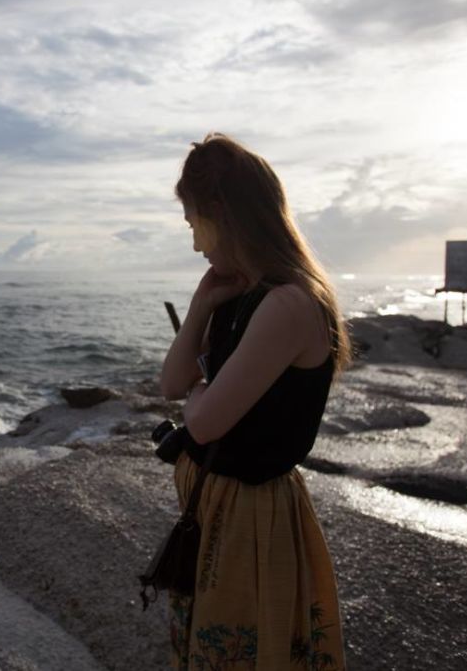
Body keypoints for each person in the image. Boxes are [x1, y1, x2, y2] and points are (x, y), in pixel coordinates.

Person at [159, 132, 352, 670]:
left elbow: (200, 421)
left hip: (249, 513)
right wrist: (201, 305)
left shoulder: (288, 304)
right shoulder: (240, 295)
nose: (197, 243)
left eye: (195, 222)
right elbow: (172, 385)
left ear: (224, 214)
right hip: (218, 507)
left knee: (240, 652)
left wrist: (202, 393)